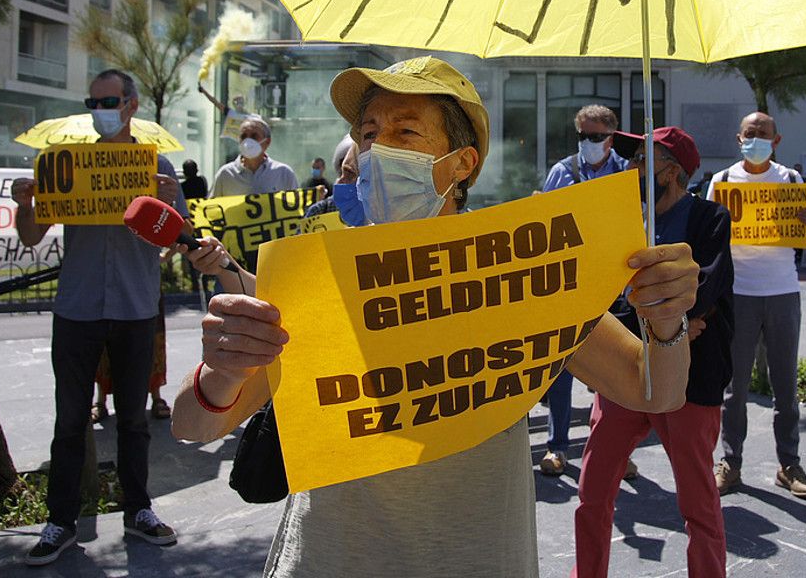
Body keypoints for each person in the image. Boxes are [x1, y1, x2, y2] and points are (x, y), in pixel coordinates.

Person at [170, 56, 699, 578]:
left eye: (406, 131)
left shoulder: (517, 268)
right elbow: (194, 424)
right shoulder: (318, 269)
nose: (378, 149)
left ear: (462, 164)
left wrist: (666, 318)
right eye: (369, 132)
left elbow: (653, 390)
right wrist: (226, 368)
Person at [11, 70, 185, 566]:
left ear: (131, 105)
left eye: (108, 100)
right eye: (93, 100)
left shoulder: (157, 167)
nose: (100, 107)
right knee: (70, 420)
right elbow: (30, 234)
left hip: (134, 307)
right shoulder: (68, 165)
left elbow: (176, 243)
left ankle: (140, 510)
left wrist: (166, 204)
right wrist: (26, 205)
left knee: (133, 419)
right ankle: (60, 521)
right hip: (78, 308)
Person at [574, 126, 734, 578]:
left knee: (698, 501)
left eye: (645, 158)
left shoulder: (710, 219)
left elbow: (703, 290)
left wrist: (674, 317)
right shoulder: (626, 222)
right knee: (593, 492)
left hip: (688, 385)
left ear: (675, 171)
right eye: (633, 158)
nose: (633, 167)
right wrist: (667, 324)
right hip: (623, 374)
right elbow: (608, 299)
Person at [709, 111, 806, 500]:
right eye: (750, 133)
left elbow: (805, 238)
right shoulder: (721, 182)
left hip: (782, 290)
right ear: (739, 138)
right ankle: (730, 462)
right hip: (738, 294)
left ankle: (789, 463)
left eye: (764, 134)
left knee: (785, 385)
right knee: (733, 388)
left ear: (777, 140)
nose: (756, 138)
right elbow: (710, 238)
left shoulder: (790, 180)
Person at [538, 104, 629, 476]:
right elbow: (545, 223)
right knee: (563, 368)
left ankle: (616, 451)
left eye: (595, 137)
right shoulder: (562, 172)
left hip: (612, 282)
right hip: (570, 283)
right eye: (583, 136)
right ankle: (558, 447)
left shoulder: (626, 172)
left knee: (612, 371)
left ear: (610, 137)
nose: (588, 143)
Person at [210, 114, 298, 198]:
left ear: (267, 142)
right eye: (243, 136)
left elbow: (296, 208)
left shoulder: (284, 174)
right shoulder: (225, 174)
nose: (248, 141)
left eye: (254, 136)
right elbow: (212, 209)